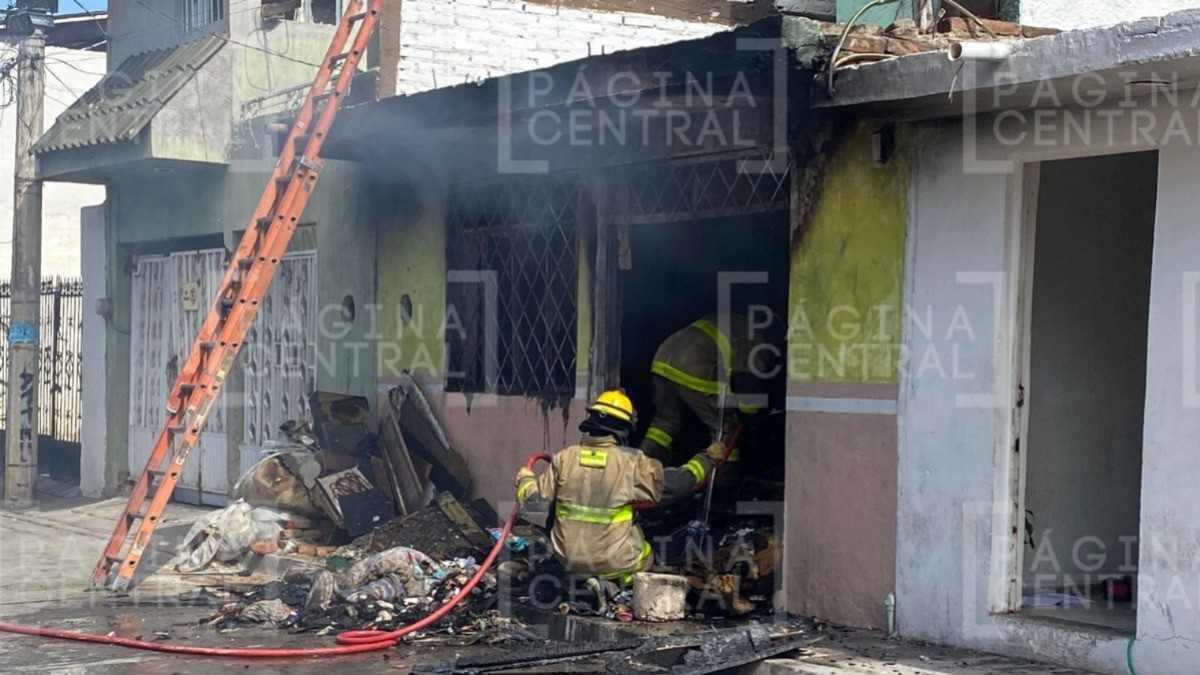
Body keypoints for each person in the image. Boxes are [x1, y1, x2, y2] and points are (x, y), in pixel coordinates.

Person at [514, 390, 724, 584]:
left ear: (590, 422)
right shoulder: (631, 462)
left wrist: (526, 480)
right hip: (613, 563)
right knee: (647, 553)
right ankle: (622, 585)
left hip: (567, 561)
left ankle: (592, 584)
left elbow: (536, 504)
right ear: (624, 429)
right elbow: (678, 484)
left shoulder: (564, 458)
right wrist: (707, 458)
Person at [638, 314, 769, 464]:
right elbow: (748, 385)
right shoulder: (754, 338)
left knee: (665, 422)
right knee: (726, 432)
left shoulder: (724, 320)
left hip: (662, 360)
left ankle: (639, 468)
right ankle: (722, 475)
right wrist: (749, 415)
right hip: (694, 368)